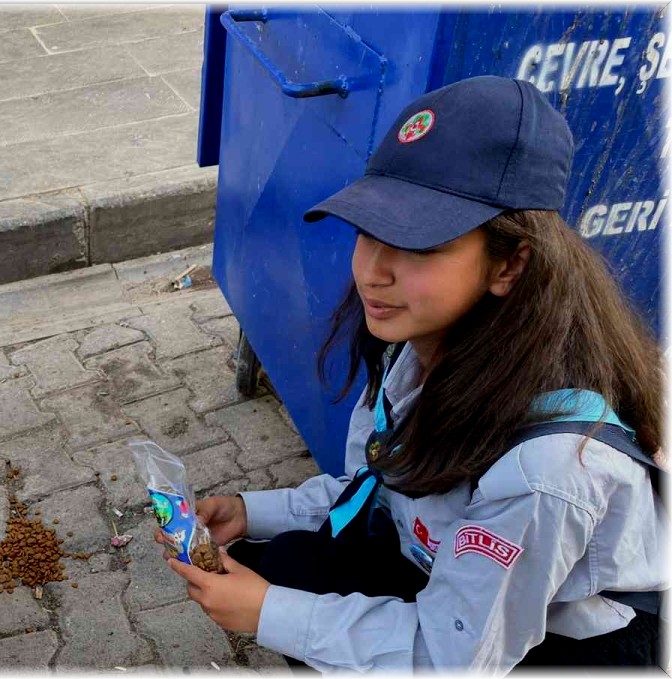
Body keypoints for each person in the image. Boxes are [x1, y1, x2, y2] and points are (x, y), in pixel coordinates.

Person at [160, 76, 665, 671]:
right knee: (289, 564)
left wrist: (268, 613)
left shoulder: (546, 468)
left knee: (286, 602)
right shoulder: (420, 347)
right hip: (460, 576)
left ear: (509, 264)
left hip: (571, 644)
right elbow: (380, 487)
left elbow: (451, 658)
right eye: (368, 231)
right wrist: (252, 511)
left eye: (418, 245)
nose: (373, 271)